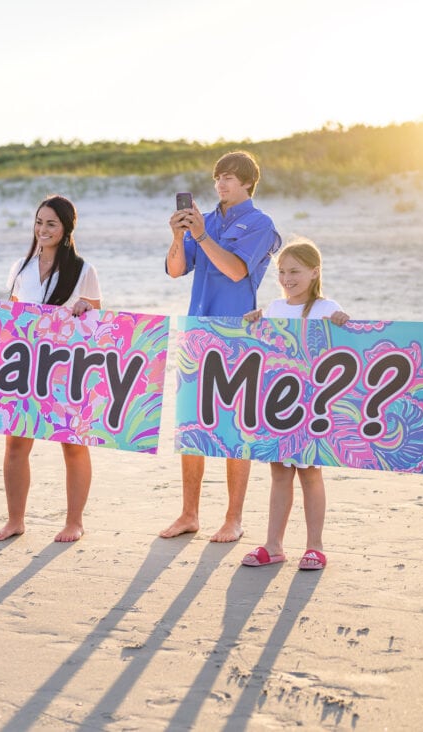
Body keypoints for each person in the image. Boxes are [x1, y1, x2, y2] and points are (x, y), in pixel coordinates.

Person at [161, 150, 281, 542]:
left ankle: (233, 518)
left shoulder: (260, 224)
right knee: (191, 427)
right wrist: (179, 236)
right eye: (217, 178)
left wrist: (200, 235)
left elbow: (235, 270)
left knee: (235, 429)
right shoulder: (205, 221)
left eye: (229, 177)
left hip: (238, 335)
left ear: (248, 183)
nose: (221, 184)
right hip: (197, 331)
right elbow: (177, 270)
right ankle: (189, 514)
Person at [0, 195, 101, 543]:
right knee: (15, 444)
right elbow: (15, 314)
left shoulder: (83, 270)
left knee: (72, 444)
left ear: (66, 229)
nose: (42, 229)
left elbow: (99, 320)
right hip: (24, 366)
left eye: (51, 224)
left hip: (64, 368)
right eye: (39, 222)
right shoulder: (21, 267)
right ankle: (15, 520)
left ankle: (74, 521)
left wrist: (84, 306)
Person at [239, 238, 349, 570]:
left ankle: (315, 546)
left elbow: (347, 351)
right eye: (282, 272)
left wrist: (345, 324)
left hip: (313, 406)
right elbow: (263, 351)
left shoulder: (327, 309)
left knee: (310, 473)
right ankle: (273, 545)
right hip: (279, 405)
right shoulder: (273, 309)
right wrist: (252, 324)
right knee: (279, 473)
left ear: (315, 272)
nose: (288, 278)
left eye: (295, 271)